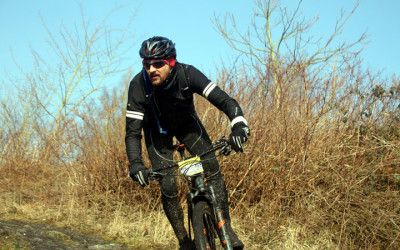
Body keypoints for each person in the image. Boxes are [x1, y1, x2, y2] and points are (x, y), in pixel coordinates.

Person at [125, 36, 250, 250]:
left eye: (158, 64)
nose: (151, 69)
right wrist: (135, 163)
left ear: (171, 62)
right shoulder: (138, 84)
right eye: (146, 64)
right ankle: (184, 241)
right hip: (157, 132)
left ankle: (226, 228)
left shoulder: (187, 73)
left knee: (212, 168)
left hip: (186, 125)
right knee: (168, 185)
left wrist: (239, 125)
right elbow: (132, 132)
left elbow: (224, 100)